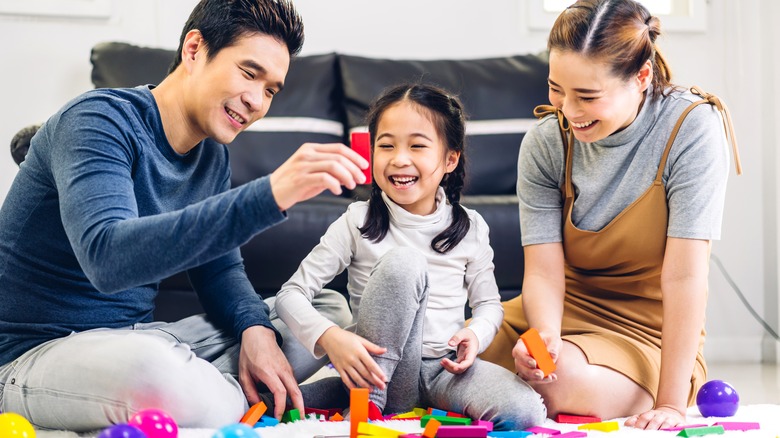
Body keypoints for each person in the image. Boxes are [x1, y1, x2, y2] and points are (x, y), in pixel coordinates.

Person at [0, 0, 367, 432]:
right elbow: (108, 259)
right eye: (249, 73)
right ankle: (226, 397)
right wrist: (269, 195)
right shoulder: (96, 120)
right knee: (155, 371)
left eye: (271, 90)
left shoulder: (211, 157)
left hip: (134, 339)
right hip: (34, 356)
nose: (256, 101)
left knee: (323, 311)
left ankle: (208, 389)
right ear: (194, 49)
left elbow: (219, 272)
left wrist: (255, 331)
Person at [479, 0, 741, 431]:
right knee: (445, 350)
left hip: (645, 332)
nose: (568, 110)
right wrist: (545, 341)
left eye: (587, 96)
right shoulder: (546, 142)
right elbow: (543, 272)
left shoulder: (691, 129)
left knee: (558, 387)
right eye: (556, 89)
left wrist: (671, 404)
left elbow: (685, 277)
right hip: (561, 309)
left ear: (641, 78)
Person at [274, 83, 547, 430]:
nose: (399, 158)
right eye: (386, 145)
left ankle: (358, 398)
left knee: (526, 411)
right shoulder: (356, 221)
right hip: (377, 372)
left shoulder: (472, 227)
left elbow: (489, 305)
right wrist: (331, 337)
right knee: (405, 262)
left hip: (442, 370)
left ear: (450, 159)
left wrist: (475, 335)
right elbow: (290, 294)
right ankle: (368, 401)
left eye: (417, 145)